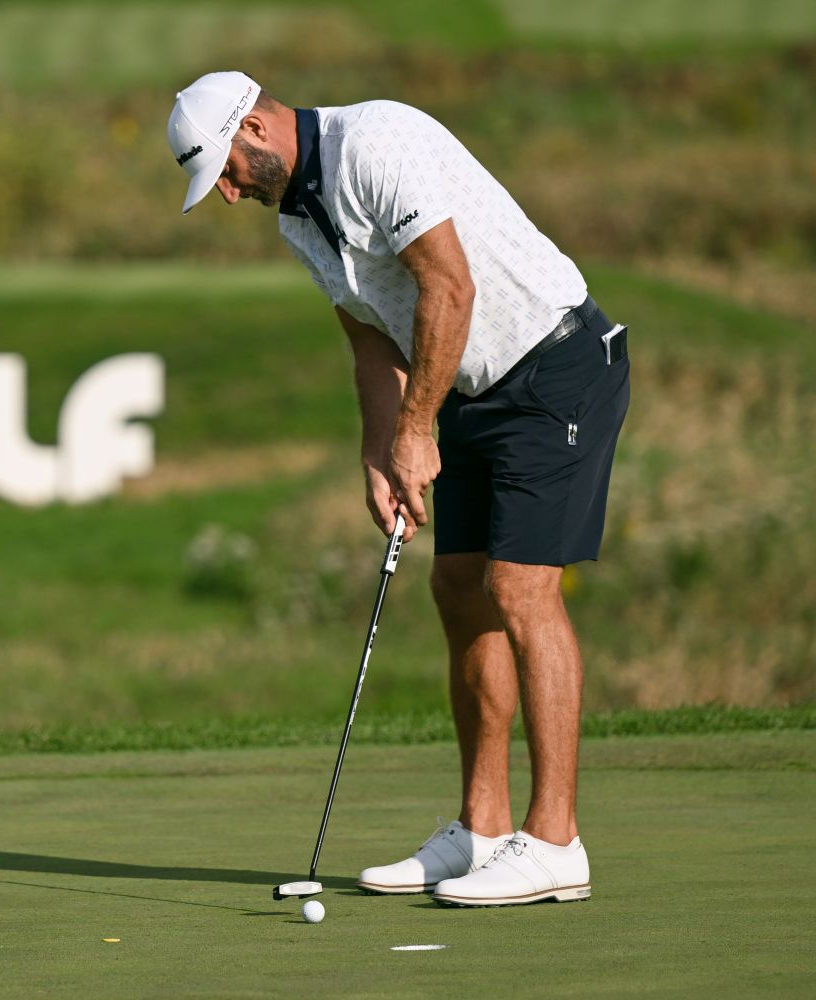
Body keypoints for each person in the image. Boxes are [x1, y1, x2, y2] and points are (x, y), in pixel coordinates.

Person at [166, 72, 630, 907]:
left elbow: (450, 286)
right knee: (459, 587)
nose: (229, 195)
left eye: (228, 172)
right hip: (474, 389)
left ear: (258, 130)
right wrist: (381, 450)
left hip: (556, 367)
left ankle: (557, 841)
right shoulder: (299, 222)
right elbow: (373, 346)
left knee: (520, 589)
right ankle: (482, 829)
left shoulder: (374, 144)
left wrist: (419, 432)